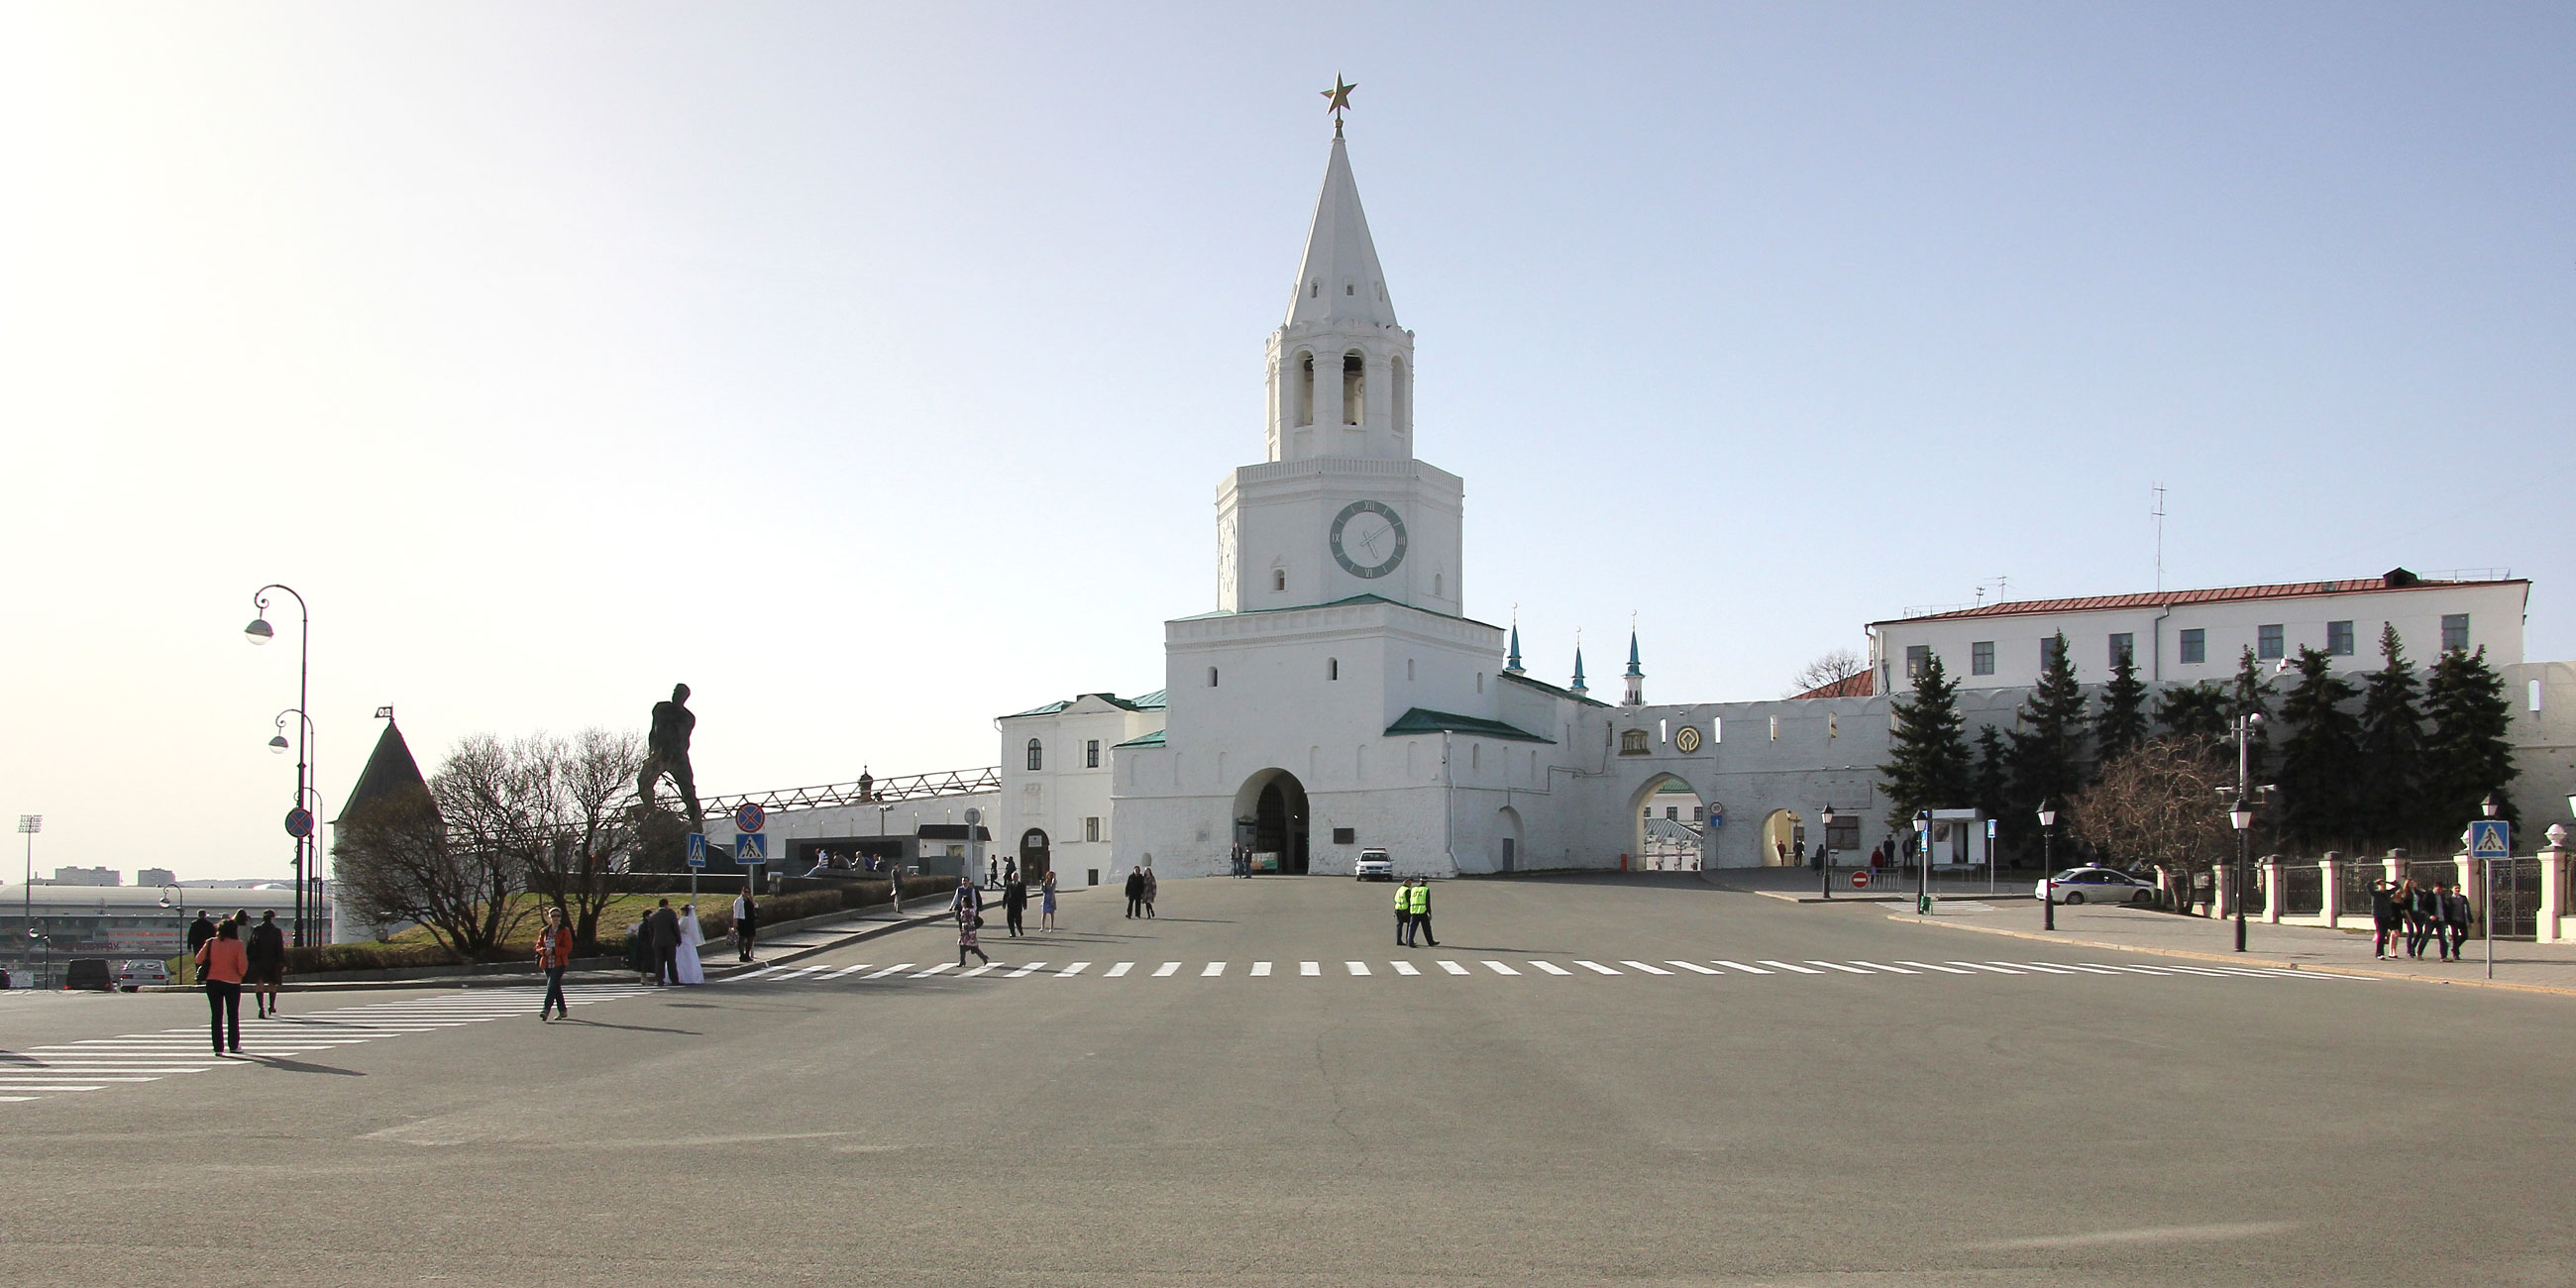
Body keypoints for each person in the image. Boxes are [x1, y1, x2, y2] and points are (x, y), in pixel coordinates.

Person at [194, 919, 248, 1056]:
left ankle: (218, 1047)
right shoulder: (238, 944)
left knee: (216, 1015)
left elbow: (198, 959)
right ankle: (233, 1045)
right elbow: (242, 967)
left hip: (213, 981)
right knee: (232, 1014)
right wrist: (239, 974)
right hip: (232, 983)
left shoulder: (211, 942)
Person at [246, 910, 285, 1019]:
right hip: (273, 961)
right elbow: (279, 948)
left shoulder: (257, 930)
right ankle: (271, 1006)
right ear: (272, 918)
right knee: (272, 984)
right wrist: (282, 963)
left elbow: (250, 946)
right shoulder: (276, 931)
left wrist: (250, 959)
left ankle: (261, 1008)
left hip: (258, 961)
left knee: (259, 984)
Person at [536, 906, 574, 1020]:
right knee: (555, 987)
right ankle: (562, 1010)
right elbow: (538, 945)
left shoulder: (564, 931)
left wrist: (554, 951)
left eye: (557, 916)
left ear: (560, 917)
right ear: (549, 917)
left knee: (551, 985)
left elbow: (568, 948)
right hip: (547, 963)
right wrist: (543, 951)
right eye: (553, 916)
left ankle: (545, 1010)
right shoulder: (544, 931)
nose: (555, 918)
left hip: (559, 963)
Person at [645, 899, 683, 985]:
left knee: (659, 961)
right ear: (666, 905)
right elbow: (675, 927)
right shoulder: (670, 914)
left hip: (657, 942)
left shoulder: (653, 916)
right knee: (671, 961)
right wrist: (678, 939)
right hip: (670, 941)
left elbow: (651, 931)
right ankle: (674, 980)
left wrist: (652, 941)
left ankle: (660, 980)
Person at [2439, 882, 2474, 962]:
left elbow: (2467, 909)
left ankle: (2454, 948)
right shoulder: (2449, 899)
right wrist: (2446, 922)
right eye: (2456, 888)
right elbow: (2446, 911)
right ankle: (2456, 954)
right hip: (2453, 920)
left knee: (2465, 936)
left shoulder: (2463, 898)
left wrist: (2470, 920)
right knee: (2455, 936)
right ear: (2452, 889)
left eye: (2459, 888)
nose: (2457, 890)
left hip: (2462, 919)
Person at [2369, 878, 2402, 960]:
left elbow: (2398, 886)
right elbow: (2368, 885)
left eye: (2384, 884)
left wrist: (2389, 882)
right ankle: (2379, 953)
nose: (2383, 886)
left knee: (2384, 934)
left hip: (2387, 915)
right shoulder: (2375, 893)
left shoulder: (2387, 893)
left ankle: (2380, 952)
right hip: (2378, 915)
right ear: (2378, 885)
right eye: (2381, 884)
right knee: (2381, 934)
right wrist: (2375, 881)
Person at [674, 904, 706, 985]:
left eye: (682, 911)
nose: (681, 912)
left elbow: (681, 928)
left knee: (685, 957)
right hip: (684, 939)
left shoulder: (686, 919)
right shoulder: (684, 918)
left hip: (684, 939)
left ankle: (685, 976)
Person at [956, 894, 989, 968]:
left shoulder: (967, 911)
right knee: (963, 946)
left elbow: (970, 922)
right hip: (965, 931)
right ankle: (963, 961)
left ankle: (983, 958)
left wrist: (970, 933)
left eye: (963, 902)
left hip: (968, 931)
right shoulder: (966, 910)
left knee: (971, 947)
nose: (962, 903)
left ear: (966, 903)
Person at [184, 911, 217, 981]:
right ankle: (207, 976)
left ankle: (198, 975)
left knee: (198, 960)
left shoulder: (194, 924)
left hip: (197, 944)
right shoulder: (209, 924)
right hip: (207, 944)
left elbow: (190, 935)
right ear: (205, 915)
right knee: (207, 959)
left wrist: (189, 945)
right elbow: (213, 935)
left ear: (198, 915)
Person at [732, 891, 759, 963]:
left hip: (750, 921)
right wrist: (735, 922)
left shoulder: (749, 900)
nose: (747, 893)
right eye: (745, 891)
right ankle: (742, 955)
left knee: (751, 937)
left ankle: (747, 954)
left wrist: (752, 900)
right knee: (742, 938)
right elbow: (736, 912)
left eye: (748, 891)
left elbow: (756, 906)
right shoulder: (739, 900)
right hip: (742, 921)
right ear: (742, 892)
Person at [1410, 878, 1438, 947]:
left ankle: (1410, 942)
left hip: (1414, 910)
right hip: (1422, 911)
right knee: (1426, 928)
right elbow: (1427, 902)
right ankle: (1430, 942)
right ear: (1426, 882)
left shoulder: (1413, 889)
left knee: (1412, 927)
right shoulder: (1425, 890)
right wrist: (1429, 913)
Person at [1002, 873, 1027, 938]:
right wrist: (1004, 903)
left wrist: (1024, 904)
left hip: (1018, 904)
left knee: (1018, 919)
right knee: (1010, 919)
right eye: (1014, 877)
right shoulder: (1009, 885)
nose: (1015, 878)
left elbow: (1024, 895)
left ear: (1018, 877)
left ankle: (1020, 929)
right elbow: (1006, 894)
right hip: (1010, 904)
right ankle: (1012, 932)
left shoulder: (1021, 885)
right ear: (1012, 878)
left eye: (1016, 876)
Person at [1395, 879, 1415, 946]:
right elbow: (1409, 900)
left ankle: (1398, 940)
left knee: (1399, 925)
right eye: (1409, 883)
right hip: (1405, 909)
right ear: (1406, 883)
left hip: (1398, 908)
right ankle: (1408, 940)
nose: (1410, 884)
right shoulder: (1407, 890)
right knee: (1409, 925)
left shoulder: (1399, 889)